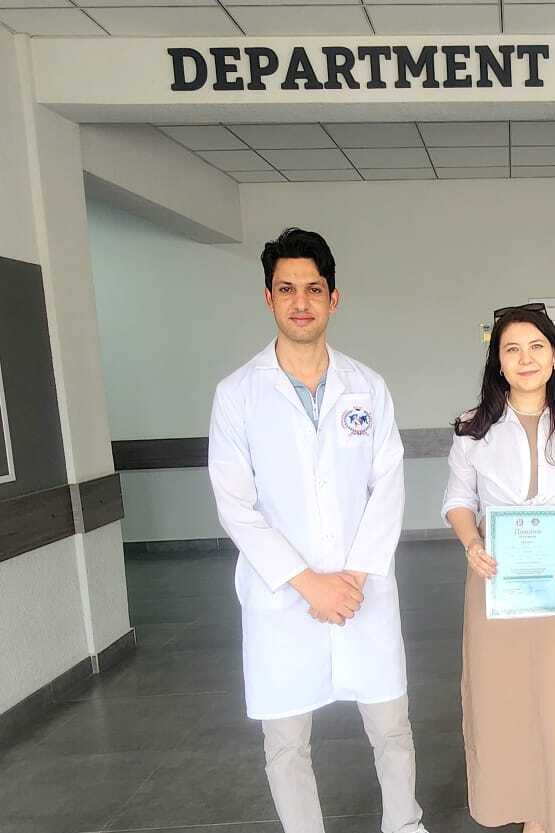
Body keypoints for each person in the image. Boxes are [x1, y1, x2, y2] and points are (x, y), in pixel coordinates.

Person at [207, 227, 428, 833]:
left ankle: (404, 823)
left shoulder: (368, 388)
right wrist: (310, 584)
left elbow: (388, 486)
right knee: (285, 741)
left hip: (362, 589)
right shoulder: (237, 395)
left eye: (312, 288)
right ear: (268, 298)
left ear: (334, 298)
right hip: (284, 595)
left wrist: (350, 578)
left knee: (392, 726)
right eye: (287, 289)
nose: (300, 301)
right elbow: (236, 506)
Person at [441, 304, 555, 833]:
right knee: (503, 696)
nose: (525, 358)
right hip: (496, 574)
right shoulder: (473, 427)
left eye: (537, 346)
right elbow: (457, 500)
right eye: (511, 349)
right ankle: (518, 805)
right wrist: (471, 543)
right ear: (497, 361)